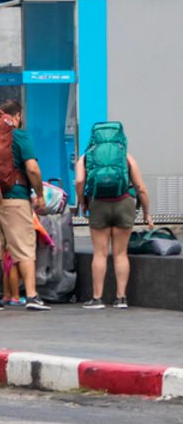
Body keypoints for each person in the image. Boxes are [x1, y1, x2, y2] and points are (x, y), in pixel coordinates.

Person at [0, 100, 50, 311]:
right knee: (25, 249)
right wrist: (40, 193)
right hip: (15, 198)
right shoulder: (18, 135)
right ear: (17, 116)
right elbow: (33, 169)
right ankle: (33, 296)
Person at [76, 125, 153, 310]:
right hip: (124, 203)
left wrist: (82, 202)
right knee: (120, 253)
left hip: (98, 204)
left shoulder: (86, 157)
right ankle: (121, 298)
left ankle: (97, 298)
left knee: (100, 253)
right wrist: (146, 213)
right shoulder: (125, 157)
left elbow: (79, 181)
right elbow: (141, 188)